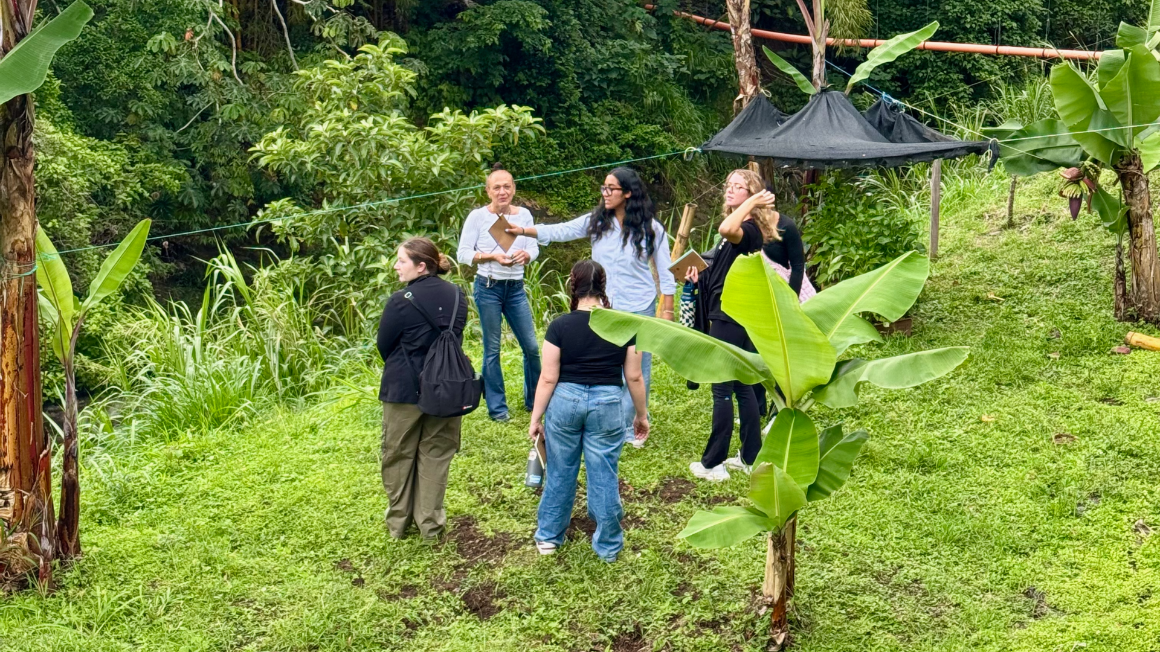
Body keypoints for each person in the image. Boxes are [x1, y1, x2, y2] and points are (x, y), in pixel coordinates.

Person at [510, 167, 675, 447]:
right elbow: (562, 230)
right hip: (606, 308)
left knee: (636, 371)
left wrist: (667, 309)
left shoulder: (651, 228)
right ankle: (609, 421)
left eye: (611, 188)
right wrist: (524, 230)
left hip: (639, 306)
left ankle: (627, 428)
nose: (605, 193)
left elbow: (666, 270)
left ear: (628, 193)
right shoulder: (597, 222)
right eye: (604, 187)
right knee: (609, 368)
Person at [528, 260, 649, 562]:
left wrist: (535, 417)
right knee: (604, 472)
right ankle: (607, 545)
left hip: (565, 401)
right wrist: (641, 415)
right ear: (603, 285)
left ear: (573, 283)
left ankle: (548, 538)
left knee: (560, 469)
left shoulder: (560, 325)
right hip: (608, 403)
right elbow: (634, 376)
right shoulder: (624, 325)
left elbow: (547, 377)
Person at [686, 169, 781, 482]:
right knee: (742, 388)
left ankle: (713, 464)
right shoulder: (740, 234)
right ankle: (750, 457)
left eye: (738, 187)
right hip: (729, 312)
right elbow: (723, 271)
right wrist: (700, 277)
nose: (729, 191)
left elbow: (727, 227)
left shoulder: (748, 231)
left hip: (730, 316)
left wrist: (751, 201)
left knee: (722, 389)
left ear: (750, 197)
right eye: (729, 186)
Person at [376, 237, 468, 541]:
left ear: (421, 265)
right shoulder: (458, 295)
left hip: (404, 389)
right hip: (447, 387)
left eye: (401, 261)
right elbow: (454, 338)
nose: (396, 266)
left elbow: (384, 345)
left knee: (398, 454)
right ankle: (430, 525)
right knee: (436, 454)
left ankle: (398, 524)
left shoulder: (401, 300)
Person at [456, 164, 541, 423]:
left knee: (532, 347)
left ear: (514, 189)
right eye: (497, 187)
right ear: (488, 191)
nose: (502, 192)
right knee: (492, 349)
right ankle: (498, 409)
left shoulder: (524, 215)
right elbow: (463, 254)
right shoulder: (477, 217)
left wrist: (526, 255)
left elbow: (533, 248)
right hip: (488, 287)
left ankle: (535, 401)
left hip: (515, 288)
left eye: (507, 186)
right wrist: (492, 255)